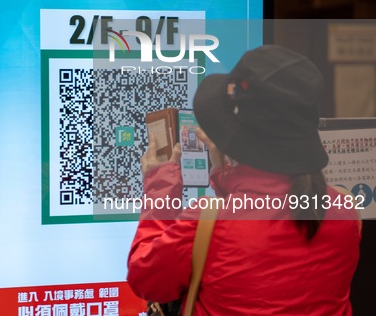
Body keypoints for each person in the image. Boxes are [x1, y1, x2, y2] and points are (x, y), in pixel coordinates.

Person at [127, 45, 361, 315]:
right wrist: (227, 172)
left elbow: (146, 279)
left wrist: (160, 184)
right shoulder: (345, 210)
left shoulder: (208, 222)